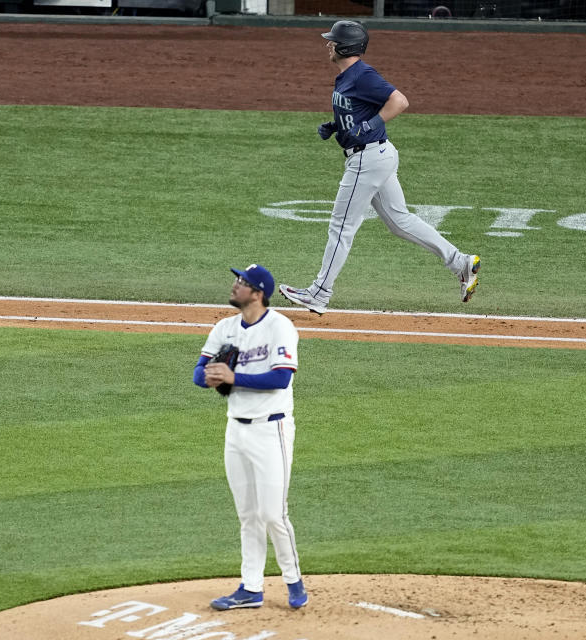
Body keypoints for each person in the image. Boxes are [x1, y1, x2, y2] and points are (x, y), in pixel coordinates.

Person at [278, 20, 480, 316]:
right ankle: (461, 262)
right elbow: (357, 109)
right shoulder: (348, 76)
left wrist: (372, 123)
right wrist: (337, 126)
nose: (328, 45)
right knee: (400, 221)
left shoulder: (362, 74)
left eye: (332, 41)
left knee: (341, 226)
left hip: (367, 159)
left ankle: (319, 293)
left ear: (345, 46)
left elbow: (399, 101)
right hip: (376, 156)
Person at [193, 263, 308, 610]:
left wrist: (232, 377)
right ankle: (251, 587)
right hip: (235, 430)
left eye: (241, 282)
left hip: (271, 430)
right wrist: (211, 376)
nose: (234, 286)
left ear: (257, 293)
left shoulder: (280, 327)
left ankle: (294, 581)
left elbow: (280, 379)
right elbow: (198, 373)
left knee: (273, 514)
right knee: (248, 514)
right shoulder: (225, 328)